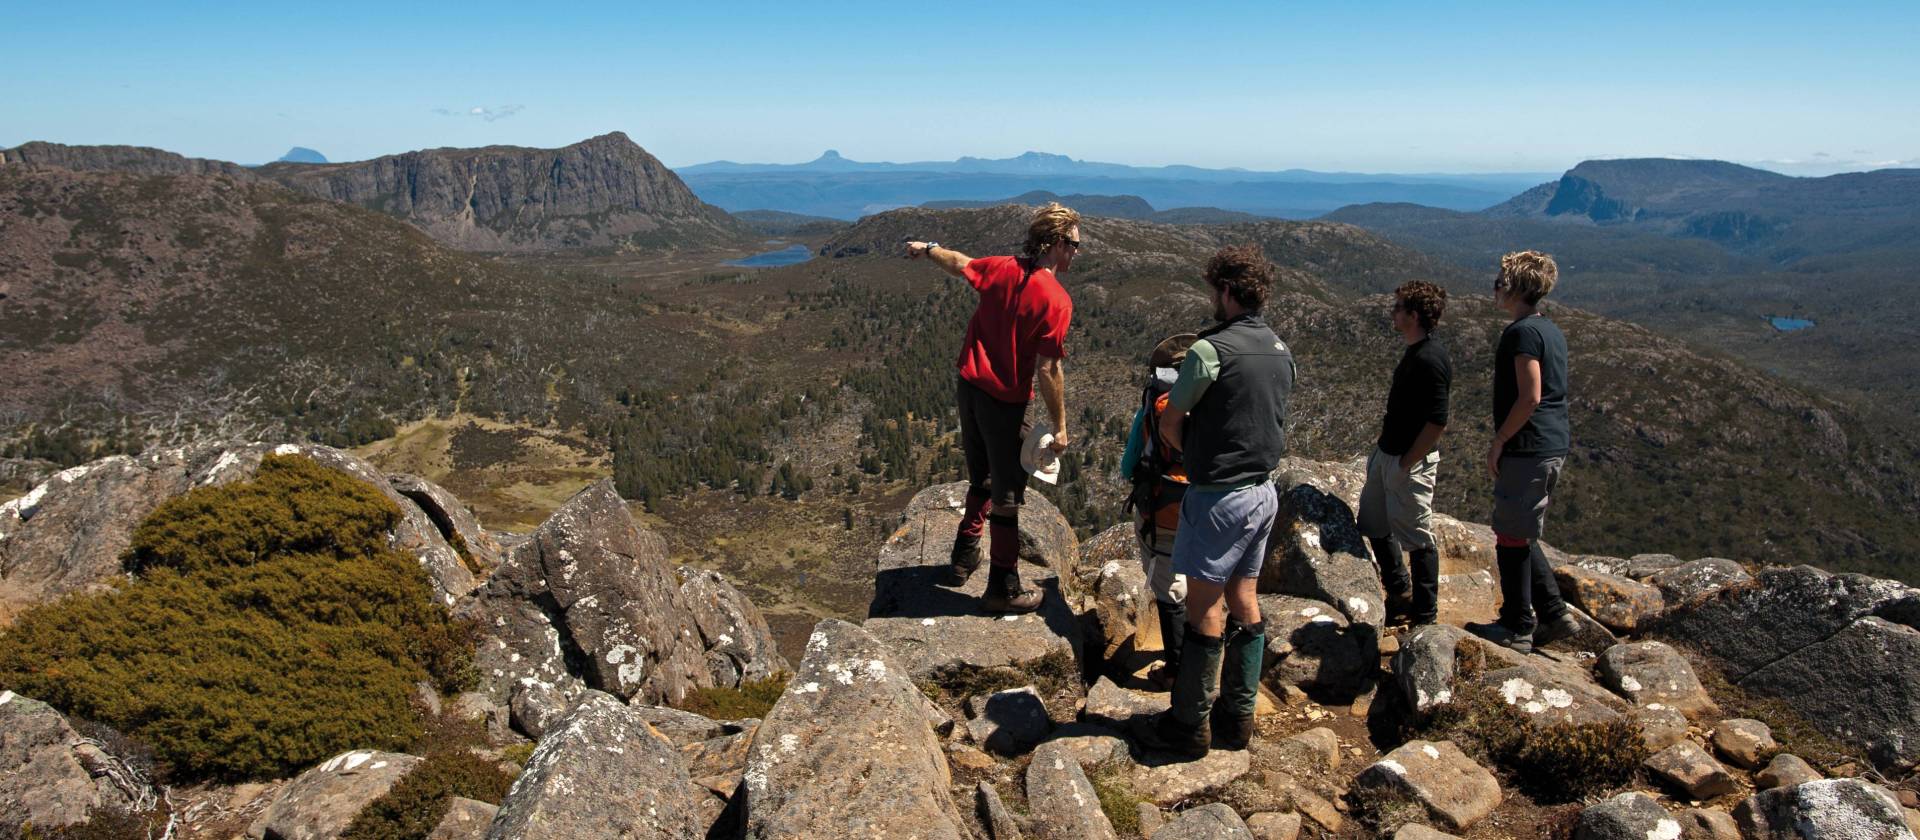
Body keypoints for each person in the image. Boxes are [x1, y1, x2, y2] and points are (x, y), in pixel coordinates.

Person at [1134, 245, 1296, 758]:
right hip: (1263, 492)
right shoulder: (1278, 348)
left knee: (1203, 607)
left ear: (1226, 290)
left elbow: (1169, 422)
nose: (1211, 298)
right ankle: (1238, 717)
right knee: (1244, 599)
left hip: (1219, 494)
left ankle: (1190, 725)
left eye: (1213, 289)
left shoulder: (1210, 351)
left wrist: (1198, 457)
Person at [904, 203, 1076, 614]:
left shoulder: (1001, 268)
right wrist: (1061, 425)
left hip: (969, 388)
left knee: (980, 475)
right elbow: (1049, 369)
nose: (1075, 252)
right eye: (1072, 244)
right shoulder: (1056, 299)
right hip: (1005, 403)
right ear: (1054, 245)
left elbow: (959, 262)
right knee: (1008, 496)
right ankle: (1003, 585)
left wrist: (928, 248)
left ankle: (964, 557)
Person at [1467, 250, 1580, 654]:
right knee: (1521, 530)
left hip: (1528, 445)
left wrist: (1500, 440)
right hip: (1549, 443)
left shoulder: (1521, 334)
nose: (1494, 288)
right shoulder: (1549, 329)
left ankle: (1517, 625)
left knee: (1510, 536)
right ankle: (1552, 611)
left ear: (1515, 288)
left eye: (1499, 282)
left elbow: (1529, 395)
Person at [1358, 281, 1452, 627]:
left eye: (1398, 307)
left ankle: (1425, 617)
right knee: (1373, 524)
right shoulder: (1416, 351)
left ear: (1413, 315)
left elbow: (1438, 421)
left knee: (1418, 537)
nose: (1392, 313)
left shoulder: (1430, 358)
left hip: (1406, 462)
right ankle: (1400, 589)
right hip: (1388, 455)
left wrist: (1407, 462)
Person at [1119, 333, 1197, 689]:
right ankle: (1205, 654)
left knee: (1169, 586)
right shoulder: (1217, 399)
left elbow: (1128, 464)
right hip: (1214, 502)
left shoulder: (1156, 402)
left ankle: (1177, 670)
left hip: (1166, 506)